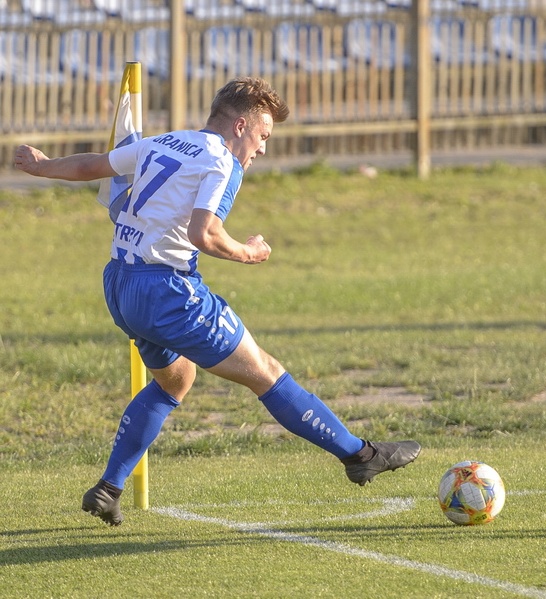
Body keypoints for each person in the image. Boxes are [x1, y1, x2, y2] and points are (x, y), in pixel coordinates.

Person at [14, 77, 420, 526]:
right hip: (168, 292)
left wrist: (42, 166)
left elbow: (96, 165)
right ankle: (360, 454)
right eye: (263, 136)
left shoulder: (165, 141)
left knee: (174, 382)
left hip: (120, 285)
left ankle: (108, 488)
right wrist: (249, 252)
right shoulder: (222, 161)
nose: (262, 149)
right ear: (241, 124)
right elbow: (203, 234)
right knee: (265, 372)